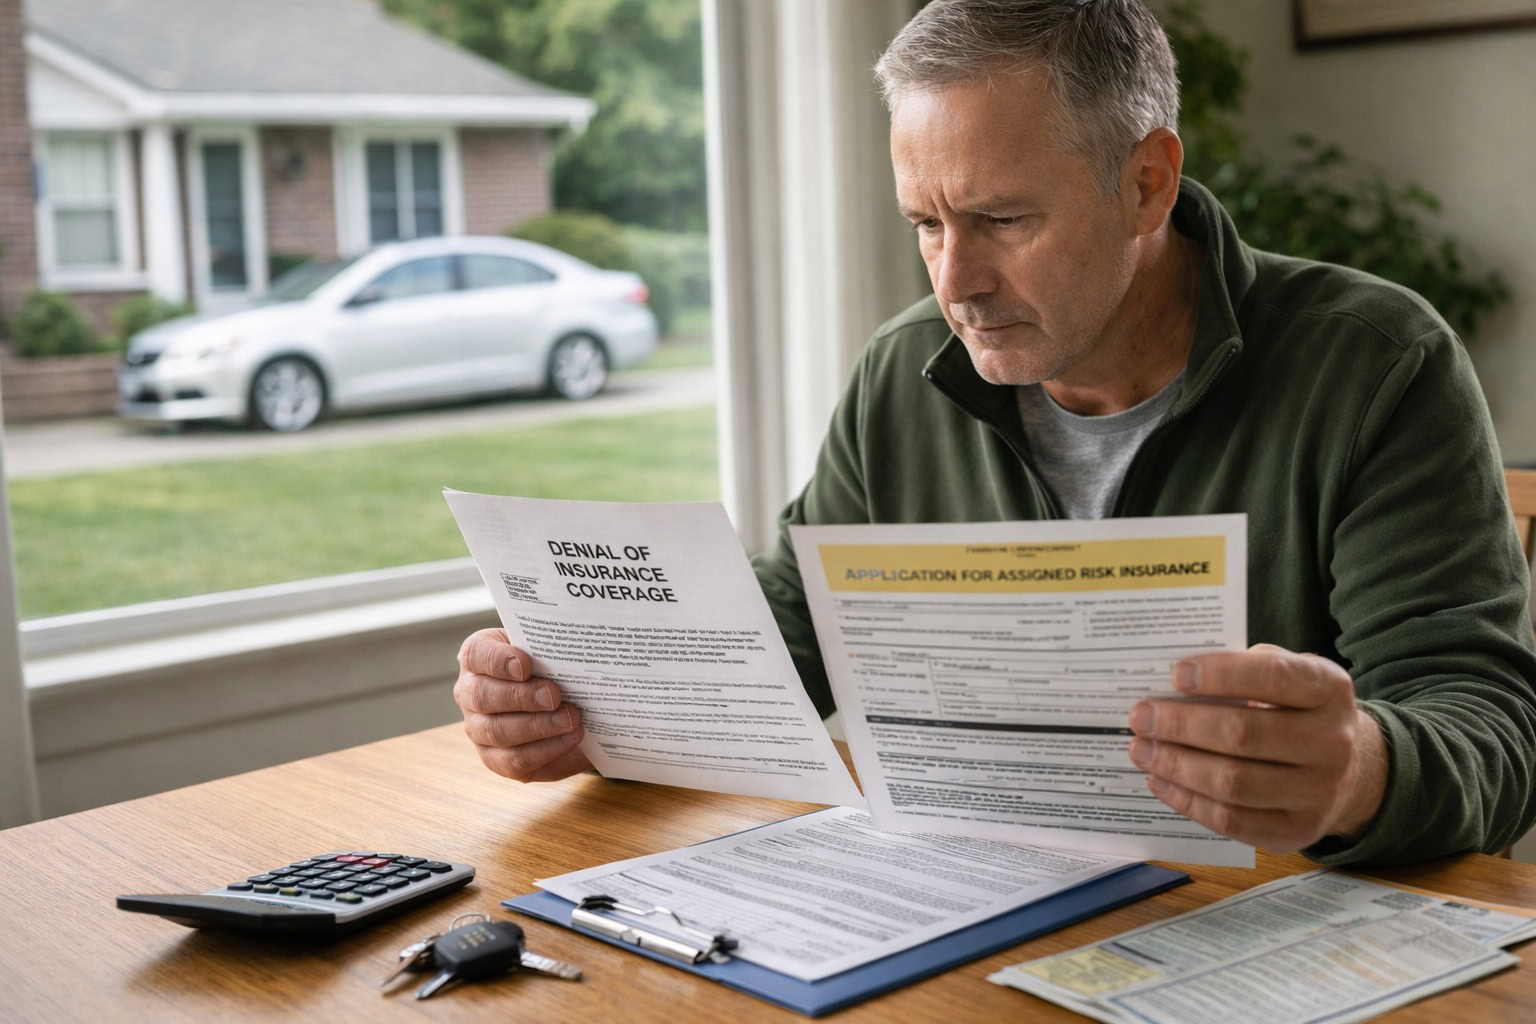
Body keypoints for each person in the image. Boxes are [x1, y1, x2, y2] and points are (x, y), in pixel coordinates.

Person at [452, 0, 1536, 865]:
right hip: (973, 914)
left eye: (1002, 220)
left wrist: (1357, 771)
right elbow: (791, 636)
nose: (955, 282)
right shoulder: (901, 374)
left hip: (1257, 927)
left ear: (1147, 182)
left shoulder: (1377, 363)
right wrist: (576, 706)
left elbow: (1491, 728)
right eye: (925, 223)